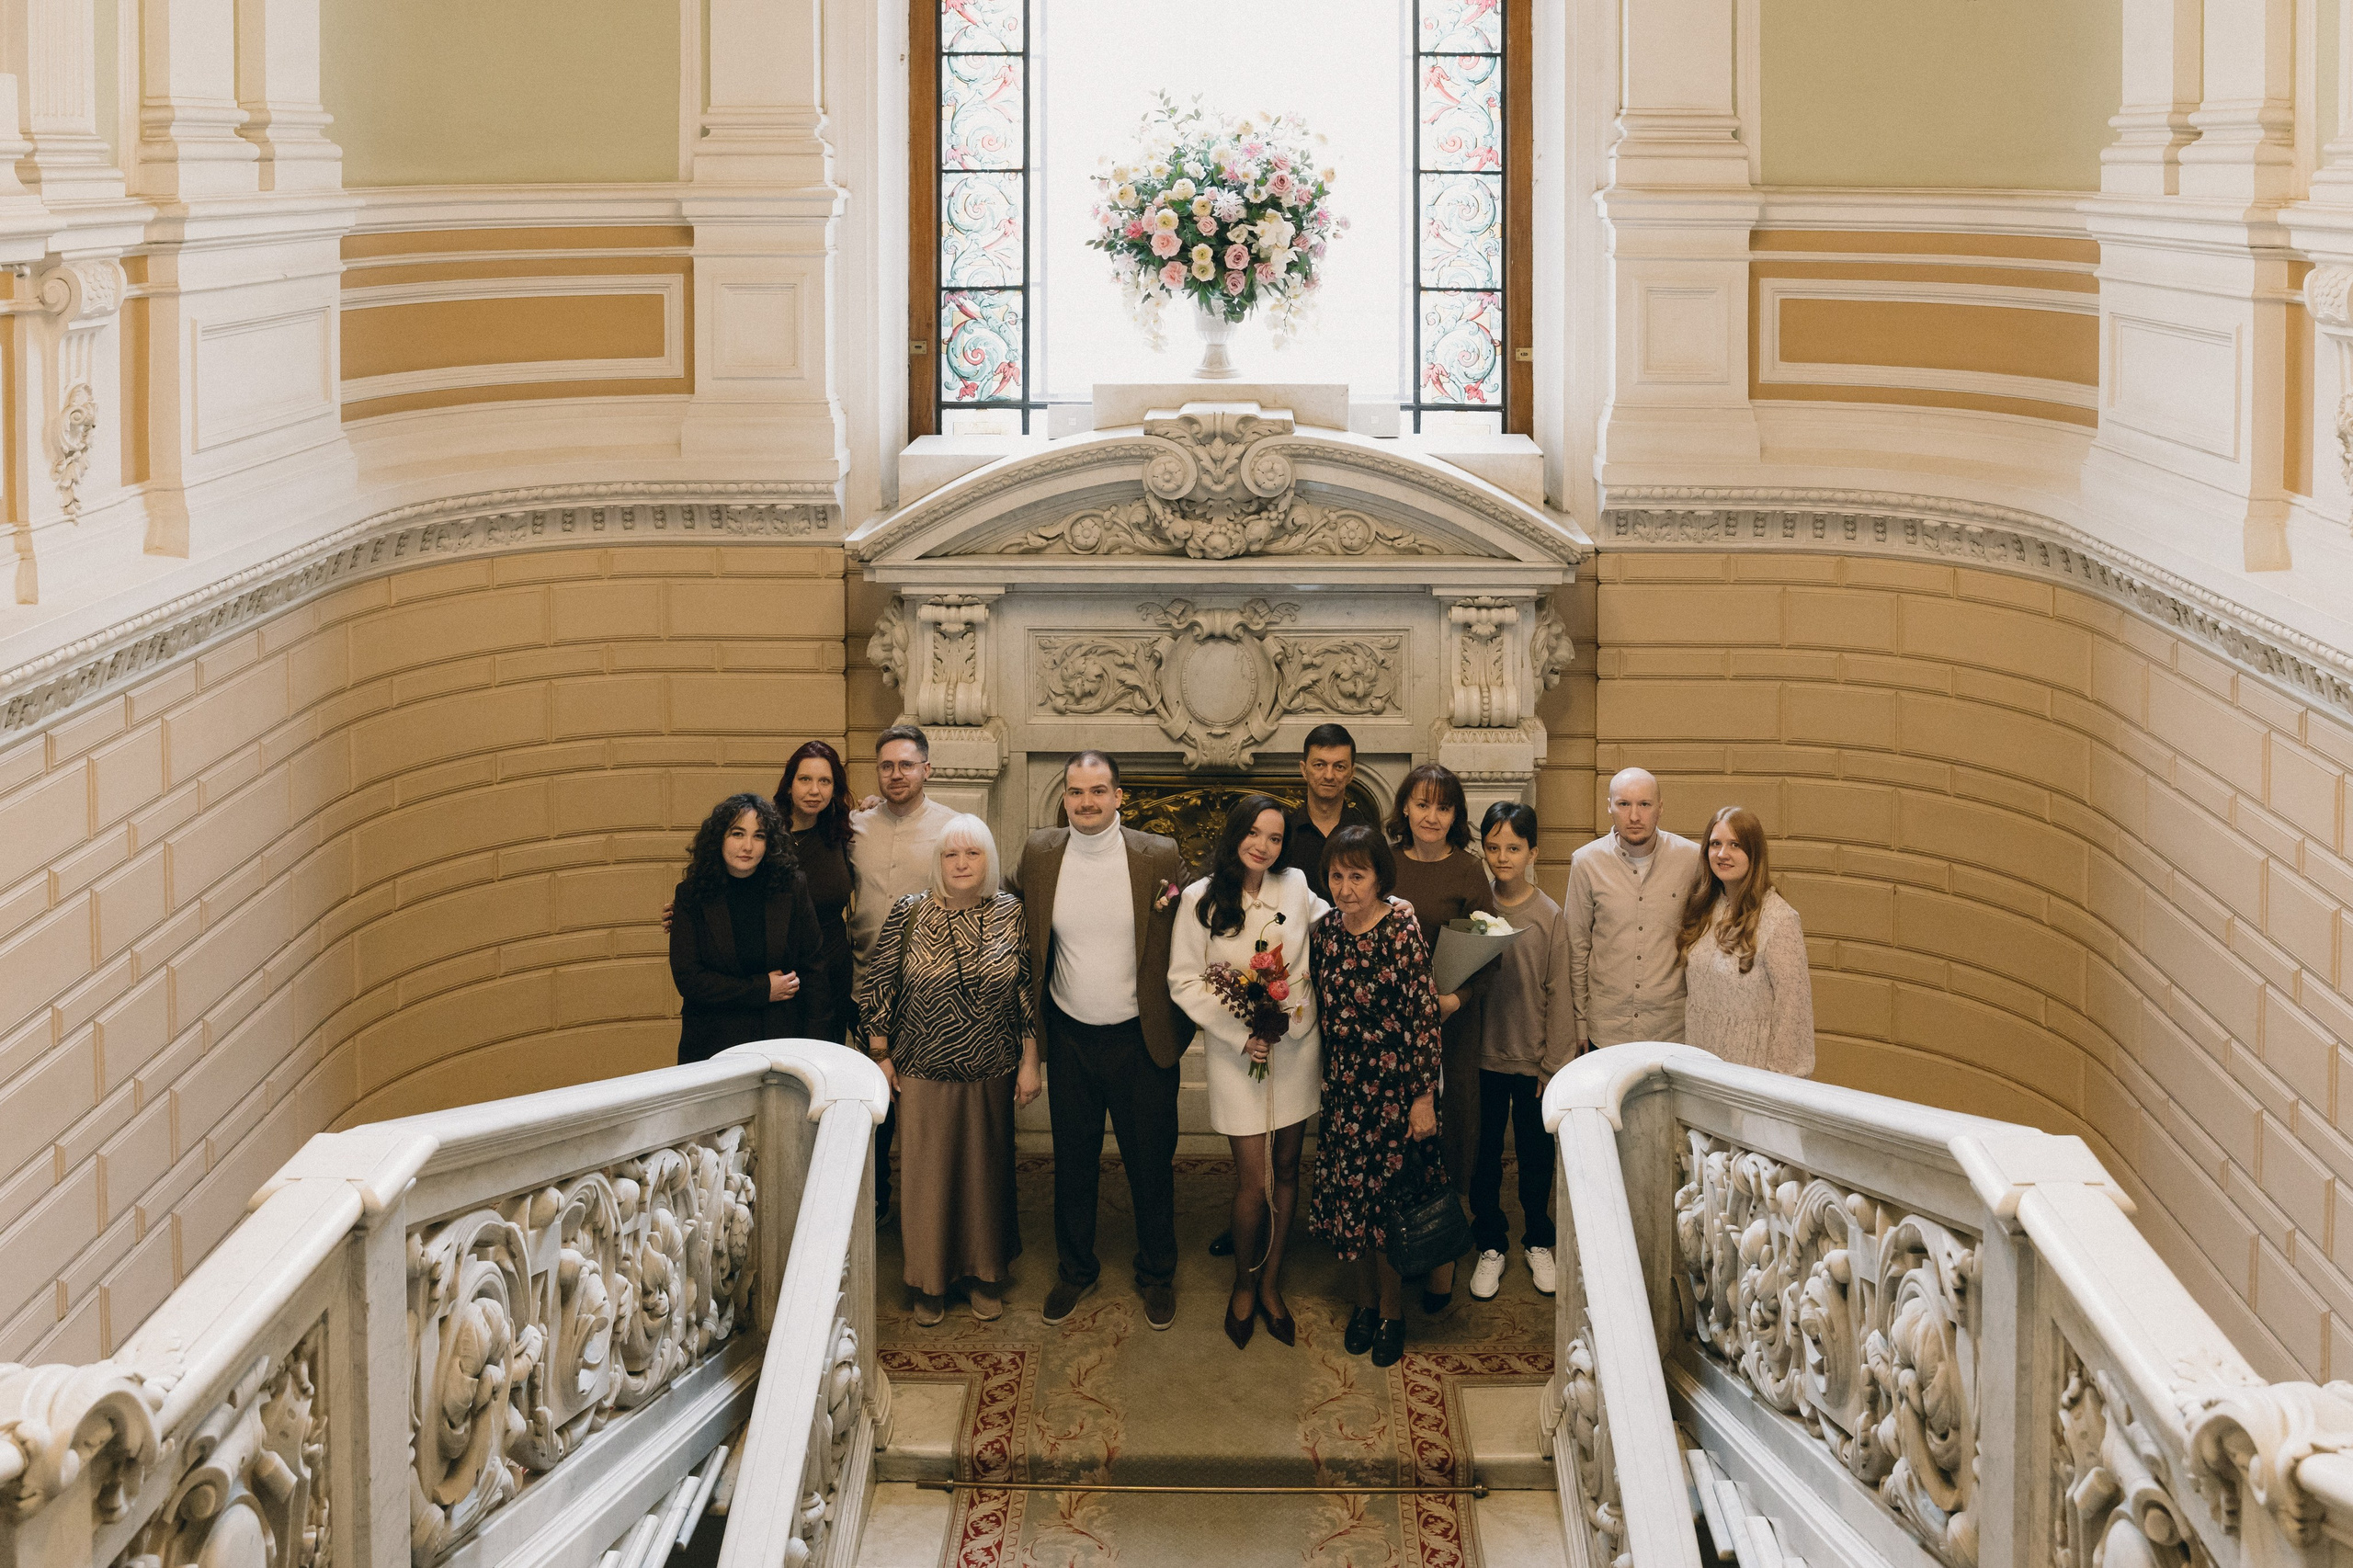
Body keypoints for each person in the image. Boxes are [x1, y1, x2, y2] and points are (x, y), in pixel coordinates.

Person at [1006, 750, 1191, 1331]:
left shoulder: (1158, 854)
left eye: (1098, 791)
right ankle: (1075, 1269)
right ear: (1064, 797)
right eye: (1075, 791)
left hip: (1142, 1040)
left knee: (1151, 1163)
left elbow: (1194, 924)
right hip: (1070, 1037)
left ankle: (1157, 1274)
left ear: (1118, 797)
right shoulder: (1040, 853)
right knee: (1074, 1162)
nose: (1086, 802)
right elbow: (1010, 920)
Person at [858, 814, 1041, 1325]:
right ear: (938, 862)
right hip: (921, 1067)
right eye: (950, 854)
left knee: (986, 1175)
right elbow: (879, 987)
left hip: (992, 1066)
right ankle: (929, 1282)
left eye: (972, 853)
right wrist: (880, 1056)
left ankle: (985, 1275)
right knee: (928, 1179)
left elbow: (1025, 992)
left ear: (989, 859)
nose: (961, 864)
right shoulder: (909, 912)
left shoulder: (1010, 912)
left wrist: (1030, 1061)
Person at [1169, 795, 1325, 1349]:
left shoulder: (1296, 885)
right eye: (1254, 833)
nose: (1263, 846)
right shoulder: (1199, 898)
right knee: (1252, 1181)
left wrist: (1392, 906)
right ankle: (1243, 1282)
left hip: (1297, 1046)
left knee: (1287, 1169)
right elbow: (1184, 979)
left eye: (1275, 838)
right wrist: (1242, 1032)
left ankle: (1272, 1283)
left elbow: (1341, 924)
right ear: (1235, 833)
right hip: (1238, 1054)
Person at [1308, 825, 1443, 1369]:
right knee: (1351, 1207)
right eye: (1337, 876)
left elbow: (1423, 1017)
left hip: (1394, 1094)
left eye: (1357, 876)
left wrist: (1422, 1097)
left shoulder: (1402, 929)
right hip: (1344, 1093)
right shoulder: (1325, 933)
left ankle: (1391, 1312)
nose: (1346, 888)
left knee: (1388, 1211)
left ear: (1379, 878)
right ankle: (1363, 1304)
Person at [1384, 760, 1496, 1309]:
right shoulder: (1383, 862)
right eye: (1423, 804)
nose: (1432, 816)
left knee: (1447, 1134)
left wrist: (1456, 999)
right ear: (1405, 807)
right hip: (1390, 1029)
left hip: (1451, 1023)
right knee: (1396, 1137)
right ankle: (1403, 1242)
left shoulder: (1470, 872)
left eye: (1444, 807)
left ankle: (1443, 1260)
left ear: (1456, 816)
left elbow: (1492, 950)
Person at [849, 724, 960, 1221]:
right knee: (871, 1112)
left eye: (907, 765)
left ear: (927, 769)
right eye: (887, 766)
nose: (897, 775)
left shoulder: (954, 829)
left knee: (926, 1114)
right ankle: (873, 1209)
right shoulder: (855, 828)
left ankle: (931, 1216)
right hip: (863, 988)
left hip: (928, 995)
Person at [1465, 802, 1572, 1301]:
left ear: (1533, 852)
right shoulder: (1474, 908)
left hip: (1533, 1062)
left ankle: (1538, 1239)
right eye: (1493, 847)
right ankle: (1490, 1242)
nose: (1502, 857)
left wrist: (1554, 1066)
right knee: (1483, 1153)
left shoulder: (1550, 916)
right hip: (1481, 1058)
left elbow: (1559, 992)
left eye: (1513, 847)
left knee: (1535, 1156)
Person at [668, 792, 828, 1062]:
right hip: (713, 1042)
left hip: (781, 1040)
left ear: (770, 843)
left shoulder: (791, 887)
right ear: (719, 838)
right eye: (737, 834)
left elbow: (814, 968)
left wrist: (817, 1046)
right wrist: (762, 990)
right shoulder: (691, 894)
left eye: (759, 836)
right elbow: (690, 980)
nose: (748, 846)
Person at [1564, 767, 1706, 1051]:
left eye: (1644, 804)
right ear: (1609, 807)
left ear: (1660, 807)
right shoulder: (1586, 862)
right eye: (1623, 804)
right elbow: (1576, 947)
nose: (1634, 816)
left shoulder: (1691, 860)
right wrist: (1579, 1022)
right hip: (1606, 1029)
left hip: (1671, 1029)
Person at [1677, 806, 1816, 1076]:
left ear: (1754, 853)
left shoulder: (1779, 919)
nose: (1722, 853)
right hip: (1701, 1064)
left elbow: (1793, 1012)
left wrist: (1781, 1085)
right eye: (1715, 844)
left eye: (1735, 845)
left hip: (1751, 1073)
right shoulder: (1704, 907)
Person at [781, 741, 855, 1045]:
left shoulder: (842, 832)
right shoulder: (764, 835)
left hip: (833, 969)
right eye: (805, 779)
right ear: (789, 785)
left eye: (825, 781)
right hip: (784, 974)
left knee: (828, 1058)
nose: (815, 791)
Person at [1276, 722, 1381, 881]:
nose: (1329, 775)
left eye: (1339, 767)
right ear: (1304, 770)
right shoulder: (1282, 833)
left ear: (1352, 773)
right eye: (1319, 765)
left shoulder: (1370, 837)